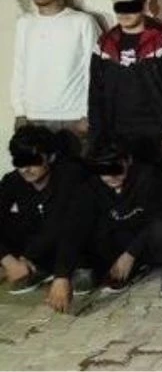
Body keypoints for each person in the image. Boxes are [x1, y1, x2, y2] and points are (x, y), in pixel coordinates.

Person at [89, 0, 162, 171]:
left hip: (156, 133)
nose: (124, 13)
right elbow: (95, 91)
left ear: (143, 5)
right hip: (116, 134)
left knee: (156, 183)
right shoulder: (104, 43)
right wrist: (97, 133)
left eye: (130, 6)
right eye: (119, 7)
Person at [75, 142, 162, 296]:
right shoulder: (92, 186)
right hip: (122, 238)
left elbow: (157, 217)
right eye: (104, 171)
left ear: (128, 161)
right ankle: (121, 270)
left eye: (116, 168)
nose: (112, 176)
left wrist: (130, 254)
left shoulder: (149, 177)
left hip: (151, 239)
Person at [12, 0, 100, 149]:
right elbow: (19, 67)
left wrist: (88, 114)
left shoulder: (82, 22)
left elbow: (96, 71)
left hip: (73, 118)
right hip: (32, 117)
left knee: (75, 168)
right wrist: (20, 112)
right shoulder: (24, 23)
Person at [0, 126, 86, 312]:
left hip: (73, 244)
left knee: (76, 222)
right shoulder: (13, 180)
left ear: (51, 157)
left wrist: (62, 276)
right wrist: (7, 260)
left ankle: (69, 271)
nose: (25, 169)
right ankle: (33, 269)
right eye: (19, 162)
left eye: (33, 161)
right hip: (38, 244)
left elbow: (70, 226)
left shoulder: (70, 175)